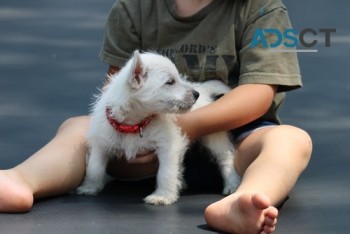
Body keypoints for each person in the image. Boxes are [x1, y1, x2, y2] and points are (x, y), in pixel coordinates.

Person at [0, 0, 312, 233]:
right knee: (79, 129)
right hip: (144, 148)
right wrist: (126, 128)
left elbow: (259, 94)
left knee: (290, 140)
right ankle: (21, 180)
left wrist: (188, 124)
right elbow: (118, 85)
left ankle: (244, 199)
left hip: (236, 141)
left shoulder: (262, 9)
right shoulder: (133, 8)